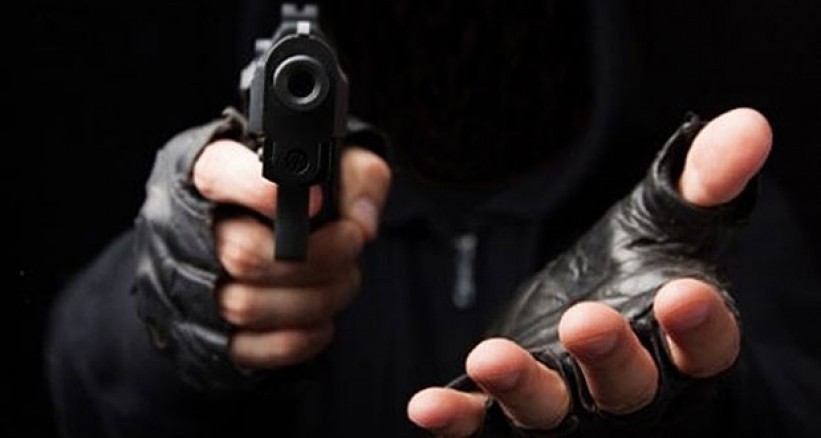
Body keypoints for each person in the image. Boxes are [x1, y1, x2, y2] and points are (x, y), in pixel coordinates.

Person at [43, 1, 820, 437]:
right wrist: (167, 306)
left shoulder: (698, 215)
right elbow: (77, 387)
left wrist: (690, 407)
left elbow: (794, 405)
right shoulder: (236, 196)